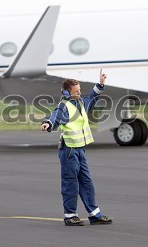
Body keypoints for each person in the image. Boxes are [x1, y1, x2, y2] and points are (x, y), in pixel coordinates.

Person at [41, 70, 112, 226]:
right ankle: (70, 215)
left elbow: (93, 97)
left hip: (80, 149)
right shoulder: (64, 106)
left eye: (80, 90)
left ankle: (94, 214)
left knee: (87, 183)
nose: (80, 93)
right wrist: (48, 124)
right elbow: (54, 117)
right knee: (70, 183)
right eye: (76, 91)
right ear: (67, 92)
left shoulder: (81, 103)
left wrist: (100, 84)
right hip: (69, 151)